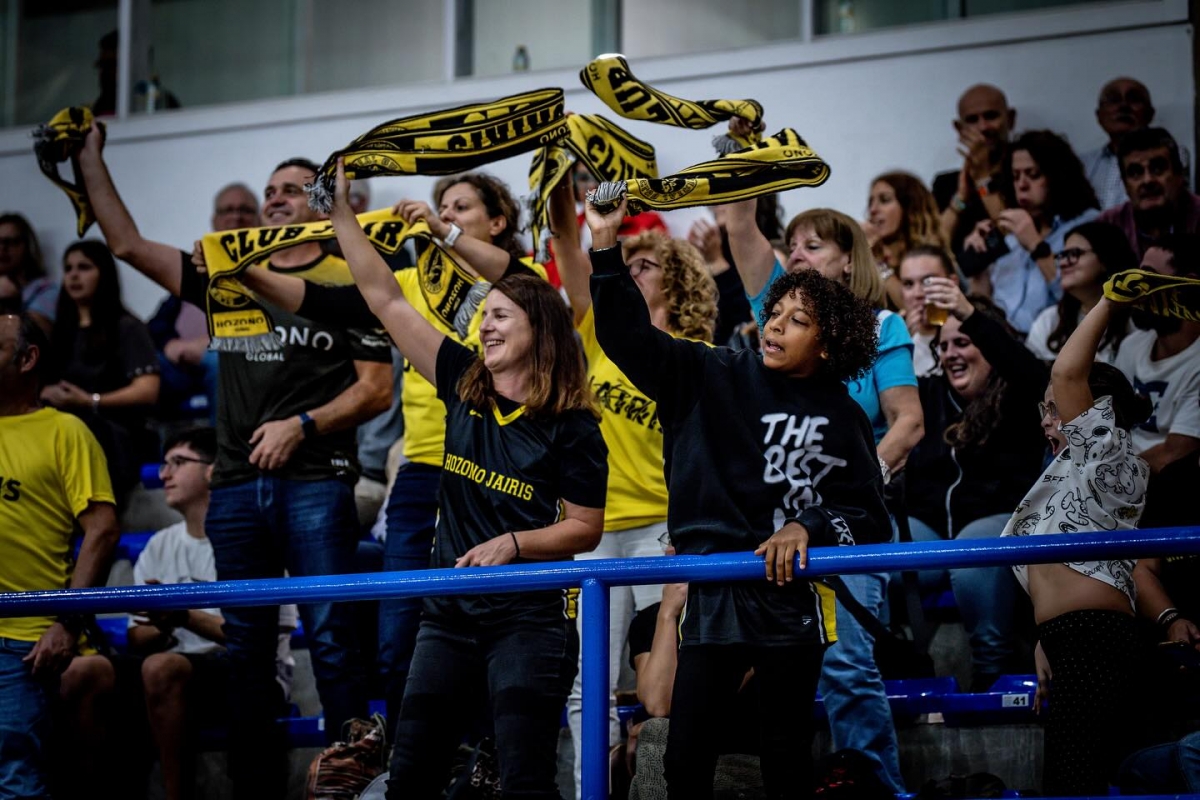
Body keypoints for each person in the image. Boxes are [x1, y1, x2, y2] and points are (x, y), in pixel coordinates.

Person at [75, 126, 392, 800]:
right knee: (246, 647)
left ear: (319, 203)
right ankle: (255, 789)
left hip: (317, 481)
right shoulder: (226, 277)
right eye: (269, 190)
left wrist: (302, 426)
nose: (274, 199)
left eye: (290, 189)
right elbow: (125, 244)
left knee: (331, 635)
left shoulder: (349, 276)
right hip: (238, 487)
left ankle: (352, 783)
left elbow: (376, 389)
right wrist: (89, 158)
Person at [315, 160, 607, 799]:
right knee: (411, 779)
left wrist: (515, 543)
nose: (486, 325)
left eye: (501, 315)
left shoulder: (574, 425)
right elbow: (385, 298)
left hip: (529, 616)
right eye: (485, 315)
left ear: (540, 329)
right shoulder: (462, 379)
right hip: (448, 613)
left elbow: (586, 528)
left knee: (524, 781)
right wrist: (338, 212)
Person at [587, 190, 891, 800]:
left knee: (784, 760)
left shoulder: (844, 416)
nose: (776, 324)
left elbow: (869, 518)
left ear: (828, 344)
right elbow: (626, 337)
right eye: (776, 312)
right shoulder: (709, 371)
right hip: (713, 589)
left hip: (792, 601)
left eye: (798, 321)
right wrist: (603, 244)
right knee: (684, 758)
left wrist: (809, 525)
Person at [232, 168, 545, 732]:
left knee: (496, 630)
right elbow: (326, 300)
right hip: (423, 469)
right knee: (398, 635)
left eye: (461, 208)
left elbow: (522, 276)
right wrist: (245, 271)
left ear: (498, 222)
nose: (445, 215)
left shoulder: (522, 288)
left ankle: (485, 760)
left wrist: (444, 234)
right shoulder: (413, 282)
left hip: (501, 473)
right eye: (442, 207)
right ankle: (407, 763)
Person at [723, 178, 921, 792]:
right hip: (770, 527)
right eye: (793, 245)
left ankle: (878, 787)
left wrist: (854, 489)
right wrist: (742, 160)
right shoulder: (780, 315)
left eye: (814, 245)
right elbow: (740, 228)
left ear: (849, 259)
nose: (798, 254)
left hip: (844, 524)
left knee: (845, 664)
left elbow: (908, 423)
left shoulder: (882, 324)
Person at [548, 171, 718, 796]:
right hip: (591, 528)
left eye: (641, 264)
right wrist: (559, 175)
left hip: (661, 529)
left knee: (665, 679)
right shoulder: (599, 330)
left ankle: (658, 786)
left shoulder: (693, 353)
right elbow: (566, 243)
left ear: (676, 280)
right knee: (585, 684)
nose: (628, 269)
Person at [1001, 297, 1151, 795]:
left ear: (1096, 412)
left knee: (1073, 784)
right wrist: (1044, 640)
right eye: (1044, 409)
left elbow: (1067, 372)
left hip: (1094, 636)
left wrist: (1112, 299)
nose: (1047, 420)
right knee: (1069, 780)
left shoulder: (1110, 457)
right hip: (1068, 636)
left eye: (1054, 408)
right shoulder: (1063, 473)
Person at [122, 426, 297, 800]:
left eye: (178, 462)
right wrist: (164, 621)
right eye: (163, 464)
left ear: (213, 471)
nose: (164, 474)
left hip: (251, 670)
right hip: (178, 670)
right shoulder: (159, 545)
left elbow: (258, 638)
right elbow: (136, 635)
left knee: (162, 668)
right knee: (96, 674)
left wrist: (181, 615)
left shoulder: (257, 540)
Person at [0, 312, 120, 800]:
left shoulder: (64, 431)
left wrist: (67, 623)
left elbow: (102, 529)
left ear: (27, 359)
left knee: (14, 778)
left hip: (21, 638)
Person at [907, 280, 1049, 689]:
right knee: (875, 549)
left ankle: (991, 675)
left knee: (973, 555)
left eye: (963, 342)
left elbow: (1031, 372)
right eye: (943, 346)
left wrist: (970, 314)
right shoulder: (930, 394)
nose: (951, 353)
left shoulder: (1021, 393)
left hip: (1003, 519)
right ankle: (884, 665)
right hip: (933, 528)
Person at [41, 240, 160, 508]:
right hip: (66, 432)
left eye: (84, 267)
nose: (73, 275)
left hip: (116, 434)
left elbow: (147, 390)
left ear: (103, 274)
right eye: (68, 268)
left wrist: (90, 401)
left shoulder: (127, 327)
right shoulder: (59, 333)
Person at [967, 130, 1100, 334]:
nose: (1022, 185)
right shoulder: (1011, 237)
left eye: (1033, 175)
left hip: (1056, 341)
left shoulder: (1087, 224)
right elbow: (984, 308)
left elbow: (1082, 301)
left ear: (1057, 176)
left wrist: (1036, 246)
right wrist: (979, 267)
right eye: (1015, 176)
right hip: (1003, 342)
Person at [149, 183, 257, 423]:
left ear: (259, 219)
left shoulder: (266, 267)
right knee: (143, 369)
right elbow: (156, 324)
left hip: (234, 355)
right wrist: (170, 344)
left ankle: (222, 443)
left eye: (245, 210)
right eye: (227, 210)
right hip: (181, 363)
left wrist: (211, 344)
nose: (236, 217)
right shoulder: (198, 267)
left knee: (221, 361)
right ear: (214, 220)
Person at [1113, 234, 1200, 474]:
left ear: (1187, 287)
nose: (1137, 291)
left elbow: (1174, 455)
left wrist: (1110, 477)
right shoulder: (1132, 345)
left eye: (1148, 278)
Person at [1025, 221, 1136, 364]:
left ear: (1106, 258)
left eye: (1074, 254)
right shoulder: (1049, 321)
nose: (1063, 263)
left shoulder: (1136, 321)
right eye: (1062, 256)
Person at [933, 84, 1017, 258]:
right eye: (972, 120)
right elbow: (932, 249)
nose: (983, 127)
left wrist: (982, 180)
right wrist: (960, 199)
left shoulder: (1028, 175)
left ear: (1010, 119)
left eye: (991, 116)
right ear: (959, 129)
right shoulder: (947, 184)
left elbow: (1018, 236)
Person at [687, 197, 782, 346]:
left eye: (724, 195)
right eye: (714, 198)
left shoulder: (775, 252)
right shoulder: (716, 247)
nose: (714, 203)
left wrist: (717, 263)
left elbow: (749, 315)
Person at [1099, 127, 1200, 259]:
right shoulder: (1108, 226)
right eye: (1136, 173)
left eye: (1157, 169)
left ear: (1179, 175)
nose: (1147, 180)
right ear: (1125, 184)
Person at [865, 171, 945, 309]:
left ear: (909, 207)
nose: (873, 210)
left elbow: (916, 307)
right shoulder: (868, 255)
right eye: (871, 202)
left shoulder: (932, 257)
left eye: (884, 200)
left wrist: (879, 264)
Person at [1080, 78, 1160, 210]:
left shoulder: (1169, 158)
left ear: (1150, 114)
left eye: (1134, 99)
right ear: (1099, 116)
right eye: (1113, 100)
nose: (1123, 105)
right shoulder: (1082, 165)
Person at [897, 244, 958, 378]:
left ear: (952, 282)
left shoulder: (973, 336)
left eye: (927, 282)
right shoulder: (888, 340)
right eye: (908, 284)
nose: (918, 294)